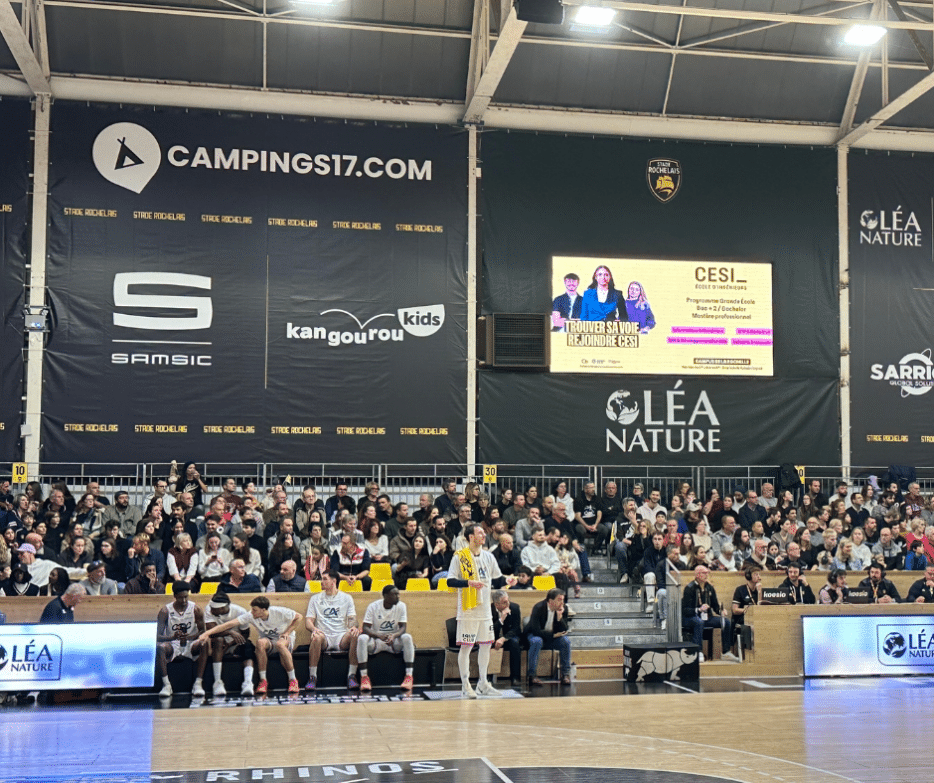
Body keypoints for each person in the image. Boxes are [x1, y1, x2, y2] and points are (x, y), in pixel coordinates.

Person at [447, 523, 516, 698]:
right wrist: (468, 583)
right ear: (471, 536)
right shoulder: (460, 557)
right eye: (480, 533)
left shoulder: (488, 556)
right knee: (466, 647)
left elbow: (497, 579)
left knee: (486, 645)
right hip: (468, 610)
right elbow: (450, 581)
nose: (484, 535)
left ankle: (483, 683)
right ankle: (465, 685)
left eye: (484, 532)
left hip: (485, 610)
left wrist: (508, 580)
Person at [198, 595, 302, 694]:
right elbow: (228, 625)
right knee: (260, 643)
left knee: (280, 644)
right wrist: (207, 633)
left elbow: (299, 617)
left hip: (284, 638)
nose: (252, 612)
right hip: (269, 640)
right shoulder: (251, 615)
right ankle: (263, 681)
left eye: (254, 610)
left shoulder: (279, 612)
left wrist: (287, 632)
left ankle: (293, 680)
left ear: (263, 610)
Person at [304, 570, 359, 691]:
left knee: (355, 635)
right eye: (321, 579)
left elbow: (352, 619)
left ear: (334, 581)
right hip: (324, 636)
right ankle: (312, 677)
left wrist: (353, 627)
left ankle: (352, 676)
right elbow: (308, 621)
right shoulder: (315, 598)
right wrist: (314, 629)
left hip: (341, 636)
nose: (321, 582)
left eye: (324, 579)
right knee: (316, 637)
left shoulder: (347, 598)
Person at [357, 585, 416, 692]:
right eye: (395, 594)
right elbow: (365, 628)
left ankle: (409, 676)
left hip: (393, 642)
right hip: (376, 642)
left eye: (398, 594)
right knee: (362, 638)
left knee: (407, 637)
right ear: (385, 596)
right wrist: (378, 635)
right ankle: (364, 677)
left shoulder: (402, 606)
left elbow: (403, 627)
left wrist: (394, 635)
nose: (398, 596)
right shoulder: (373, 606)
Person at [156, 581, 209, 698]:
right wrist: (173, 637)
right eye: (181, 597)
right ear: (175, 596)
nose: (184, 600)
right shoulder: (165, 611)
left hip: (191, 643)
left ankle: (198, 684)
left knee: (204, 643)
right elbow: (157, 636)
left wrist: (190, 637)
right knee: (160, 648)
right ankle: (166, 685)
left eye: (186, 597)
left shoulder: (196, 609)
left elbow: (202, 631)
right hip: (173, 643)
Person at [202, 592, 256, 697]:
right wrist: (230, 632)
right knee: (219, 640)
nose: (211, 610)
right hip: (219, 640)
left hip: (235, 642)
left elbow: (245, 634)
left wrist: (230, 643)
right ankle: (217, 682)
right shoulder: (209, 609)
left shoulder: (240, 611)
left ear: (222, 608)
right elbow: (211, 632)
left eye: (214, 609)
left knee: (248, 646)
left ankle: (248, 683)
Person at [681, 565, 739, 663]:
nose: (707, 575)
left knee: (726, 622)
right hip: (691, 618)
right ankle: (698, 651)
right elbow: (685, 610)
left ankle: (726, 652)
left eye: (707, 573)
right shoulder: (689, 588)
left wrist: (721, 611)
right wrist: (699, 609)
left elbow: (715, 606)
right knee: (699, 622)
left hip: (707, 617)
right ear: (697, 574)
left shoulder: (709, 587)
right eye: (704, 573)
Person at [525, 588, 572, 686]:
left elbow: (564, 629)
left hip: (551, 637)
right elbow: (536, 631)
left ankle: (565, 675)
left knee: (566, 641)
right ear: (550, 601)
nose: (562, 603)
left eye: (563, 600)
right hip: (535, 635)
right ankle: (532, 676)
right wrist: (553, 635)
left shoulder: (564, 609)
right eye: (559, 600)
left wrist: (559, 618)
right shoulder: (538, 607)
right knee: (537, 641)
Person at [491, 590, 523, 688]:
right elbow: (490, 629)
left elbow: (516, 629)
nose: (508, 604)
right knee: (485, 643)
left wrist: (503, 638)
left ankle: (515, 677)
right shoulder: (489, 610)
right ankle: (487, 677)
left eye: (508, 600)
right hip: (493, 637)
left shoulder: (514, 608)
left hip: (508, 638)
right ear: (496, 604)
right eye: (504, 602)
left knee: (515, 643)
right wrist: (501, 620)